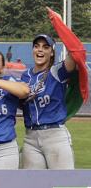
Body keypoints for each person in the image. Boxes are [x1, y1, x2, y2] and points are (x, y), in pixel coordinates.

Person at [20, 31, 80, 169]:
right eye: (36, 46)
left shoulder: (57, 71)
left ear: (52, 52)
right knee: (33, 186)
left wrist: (60, 27)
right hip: (30, 137)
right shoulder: (25, 76)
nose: (40, 49)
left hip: (55, 135)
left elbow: (76, 52)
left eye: (46, 47)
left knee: (64, 185)